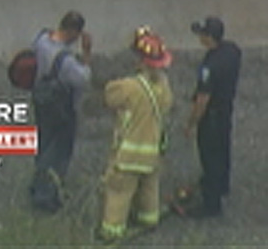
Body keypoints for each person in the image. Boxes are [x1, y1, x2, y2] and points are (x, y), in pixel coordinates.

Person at [97, 27, 173, 243]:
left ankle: (112, 230)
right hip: (153, 152)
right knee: (149, 187)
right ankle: (148, 218)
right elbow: (167, 105)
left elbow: (110, 97)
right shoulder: (164, 87)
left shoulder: (129, 87)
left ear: (141, 60)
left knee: (119, 191)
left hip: (129, 154)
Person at [29, 10, 92, 212]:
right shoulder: (66, 61)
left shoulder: (41, 40)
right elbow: (83, 79)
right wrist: (87, 54)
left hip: (41, 100)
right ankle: (46, 196)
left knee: (44, 142)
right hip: (61, 108)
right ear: (73, 31)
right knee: (58, 152)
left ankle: (37, 182)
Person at [183, 16, 241, 217]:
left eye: (201, 34)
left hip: (212, 118)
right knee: (223, 151)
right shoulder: (232, 51)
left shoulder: (210, 66)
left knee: (210, 157)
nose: (199, 37)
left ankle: (211, 204)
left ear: (209, 37)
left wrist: (191, 123)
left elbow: (202, 100)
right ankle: (222, 185)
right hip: (225, 111)